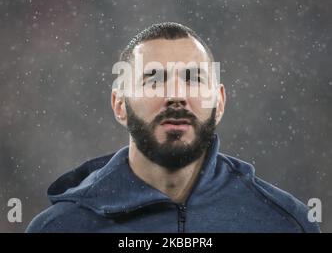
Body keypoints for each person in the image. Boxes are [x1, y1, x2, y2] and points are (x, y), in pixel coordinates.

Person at [26, 22, 320, 232]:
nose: (175, 95)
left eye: (193, 78)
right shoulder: (61, 227)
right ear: (119, 105)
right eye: (154, 80)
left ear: (219, 102)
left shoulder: (283, 222)